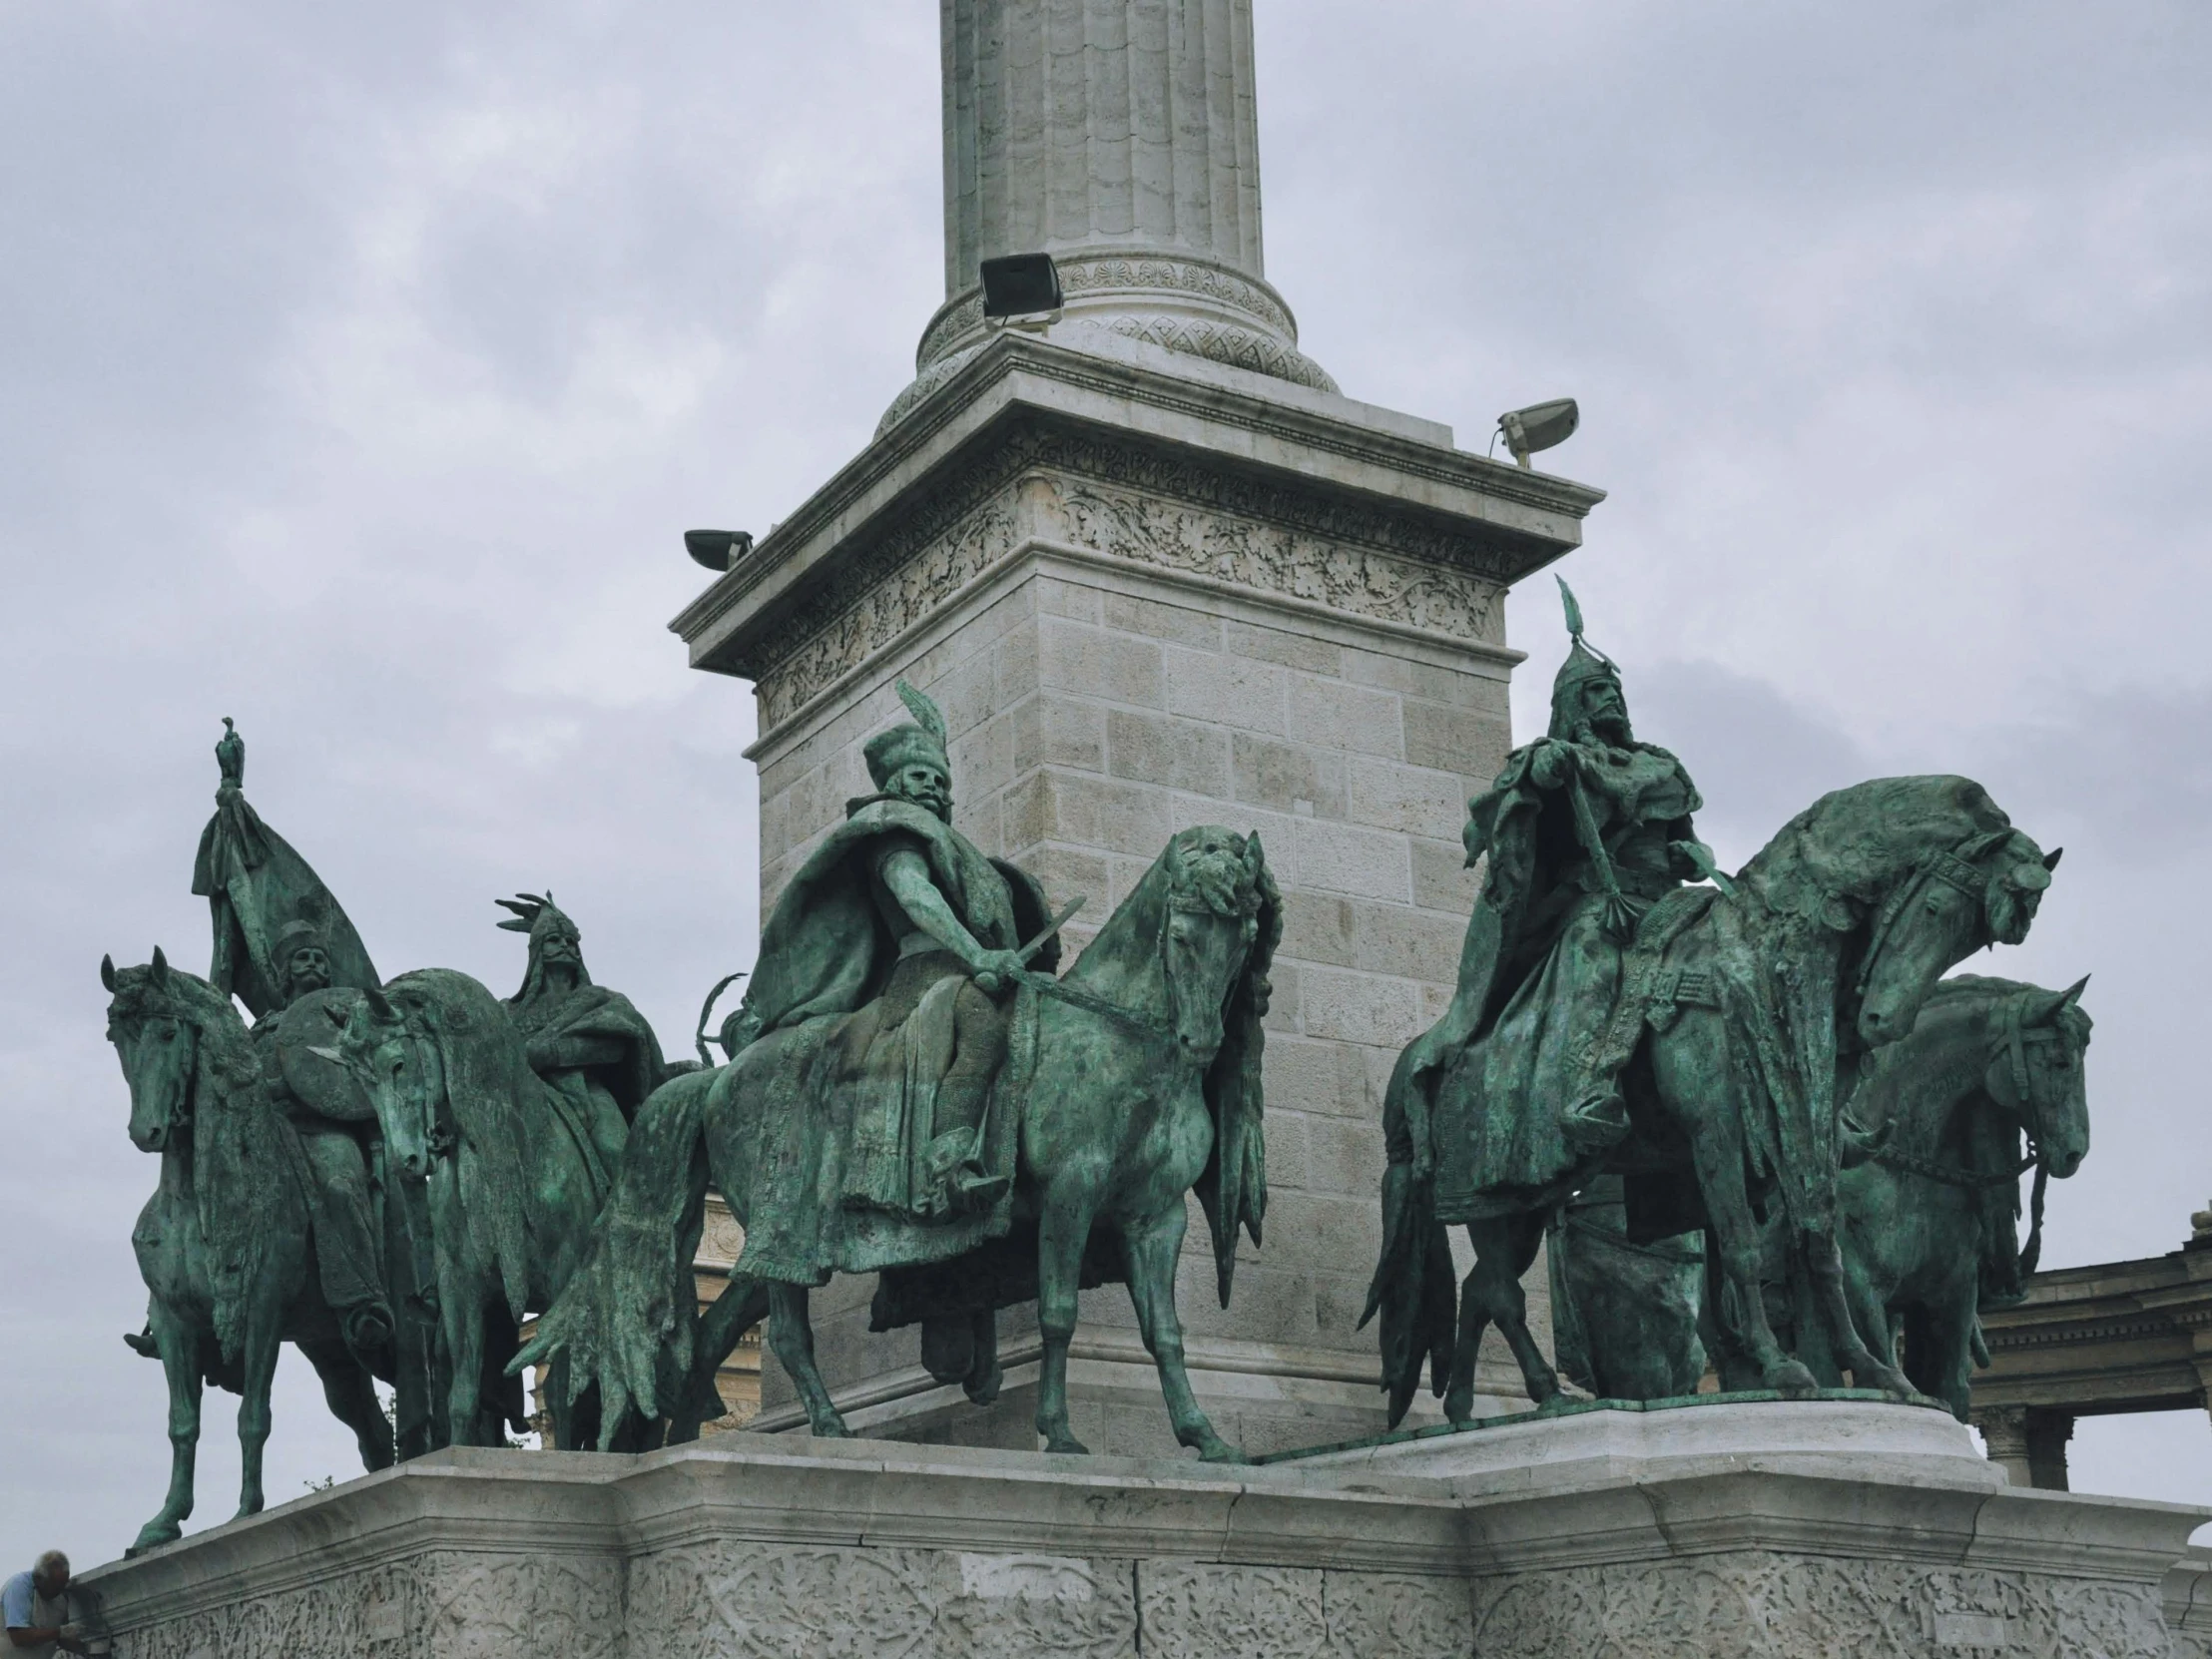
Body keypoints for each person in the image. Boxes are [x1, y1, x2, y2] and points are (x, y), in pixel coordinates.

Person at [1417, 579, 1716, 1217]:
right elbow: (1509, 811)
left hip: (1669, 905)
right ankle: (1591, 1086)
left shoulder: (1660, 767)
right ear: (1573, 704)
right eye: (1595, 692)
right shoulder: (1559, 758)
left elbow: (1684, 840)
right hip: (1598, 908)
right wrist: (1541, 777)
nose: (1609, 699)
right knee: (1593, 959)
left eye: (1614, 690)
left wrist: (1693, 857)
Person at [729, 679, 1057, 1238]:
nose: (930, 787)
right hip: (926, 972)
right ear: (894, 786)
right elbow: (915, 896)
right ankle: (949, 1163)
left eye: (939, 780)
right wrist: (977, 955)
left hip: (977, 967)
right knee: (980, 1019)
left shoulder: (961, 849)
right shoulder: (892, 834)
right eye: (918, 778)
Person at [253, 918, 394, 1358]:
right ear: (286, 972)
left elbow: (367, 1078)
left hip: (326, 1130)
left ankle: (363, 1299)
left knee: (340, 1187)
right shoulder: (262, 1028)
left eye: (318, 957)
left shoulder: (347, 1019)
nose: (312, 963)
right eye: (302, 958)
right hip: (268, 1137)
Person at [498, 892, 667, 1180]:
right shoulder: (508, 1011)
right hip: (520, 1098)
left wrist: (546, 1053)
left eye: (570, 941)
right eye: (553, 940)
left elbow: (614, 1047)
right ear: (538, 950)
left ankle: (629, 1218)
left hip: (586, 1093)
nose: (564, 945)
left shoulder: (601, 999)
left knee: (618, 1155)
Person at [3, 1552, 103, 1656]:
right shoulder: (20, 1586)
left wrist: (89, 1648)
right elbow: (18, 1637)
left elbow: (59, 1639)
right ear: (39, 1578)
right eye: (54, 1585)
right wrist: (61, 1632)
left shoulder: (61, 1599)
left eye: (62, 1585)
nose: (59, 1591)